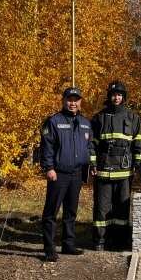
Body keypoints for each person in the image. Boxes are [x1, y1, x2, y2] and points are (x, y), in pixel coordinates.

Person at [40, 87, 94, 262]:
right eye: (70, 99)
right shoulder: (54, 121)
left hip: (77, 173)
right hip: (59, 173)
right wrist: (49, 168)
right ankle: (49, 249)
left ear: (80, 102)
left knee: (71, 212)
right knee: (51, 212)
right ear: (63, 101)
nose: (73, 103)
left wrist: (92, 164)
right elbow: (46, 147)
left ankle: (68, 245)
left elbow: (90, 147)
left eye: (76, 100)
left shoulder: (85, 123)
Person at [90, 81, 141, 251]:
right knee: (102, 207)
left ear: (124, 97)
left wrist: (138, 162)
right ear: (109, 97)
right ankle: (100, 240)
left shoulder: (132, 117)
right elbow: (92, 144)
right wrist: (92, 163)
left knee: (122, 207)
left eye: (120, 95)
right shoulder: (99, 117)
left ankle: (120, 240)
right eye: (114, 95)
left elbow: (139, 141)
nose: (116, 97)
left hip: (124, 170)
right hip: (103, 171)